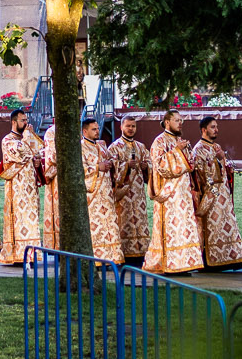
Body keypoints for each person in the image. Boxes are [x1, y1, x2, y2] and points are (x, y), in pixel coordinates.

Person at [144, 108, 205, 275]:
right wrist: (177, 151)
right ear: (167, 122)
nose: (180, 123)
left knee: (184, 229)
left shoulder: (181, 140)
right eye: (177, 120)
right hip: (169, 196)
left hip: (184, 194)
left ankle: (183, 263)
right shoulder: (159, 142)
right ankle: (170, 264)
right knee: (171, 230)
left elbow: (190, 165)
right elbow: (161, 167)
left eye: (181, 121)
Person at [188, 117, 242, 271]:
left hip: (223, 193)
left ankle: (232, 257)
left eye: (217, 127)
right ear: (204, 130)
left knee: (229, 226)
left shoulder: (216, 147)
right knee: (213, 228)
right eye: (213, 127)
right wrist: (214, 192)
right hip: (211, 194)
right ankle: (211, 260)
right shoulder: (198, 149)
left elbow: (224, 171)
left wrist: (224, 162)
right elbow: (200, 175)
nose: (216, 130)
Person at [0, 108, 47, 267]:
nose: (26, 123)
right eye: (22, 120)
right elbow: (20, 151)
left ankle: (32, 254)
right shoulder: (7, 140)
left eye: (26, 120)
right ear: (13, 122)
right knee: (19, 220)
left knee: (31, 221)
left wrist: (37, 163)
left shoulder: (27, 138)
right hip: (17, 189)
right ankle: (18, 255)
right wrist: (28, 137)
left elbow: (38, 152)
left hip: (31, 189)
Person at [76, 115, 124, 264]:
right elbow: (78, 170)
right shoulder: (80, 147)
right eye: (94, 129)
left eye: (97, 129)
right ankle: (95, 259)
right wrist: (98, 167)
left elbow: (111, 163)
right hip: (92, 195)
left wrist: (111, 164)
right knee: (95, 226)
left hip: (107, 194)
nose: (97, 131)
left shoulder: (102, 146)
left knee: (110, 225)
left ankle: (113, 258)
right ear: (85, 131)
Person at [109, 117, 151, 266]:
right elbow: (112, 170)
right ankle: (124, 255)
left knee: (140, 222)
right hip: (124, 194)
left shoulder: (141, 146)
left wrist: (147, 167)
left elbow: (150, 165)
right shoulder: (114, 147)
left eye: (133, 126)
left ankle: (141, 255)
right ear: (121, 127)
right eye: (128, 126)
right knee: (125, 222)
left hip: (139, 194)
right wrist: (126, 165)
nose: (131, 129)